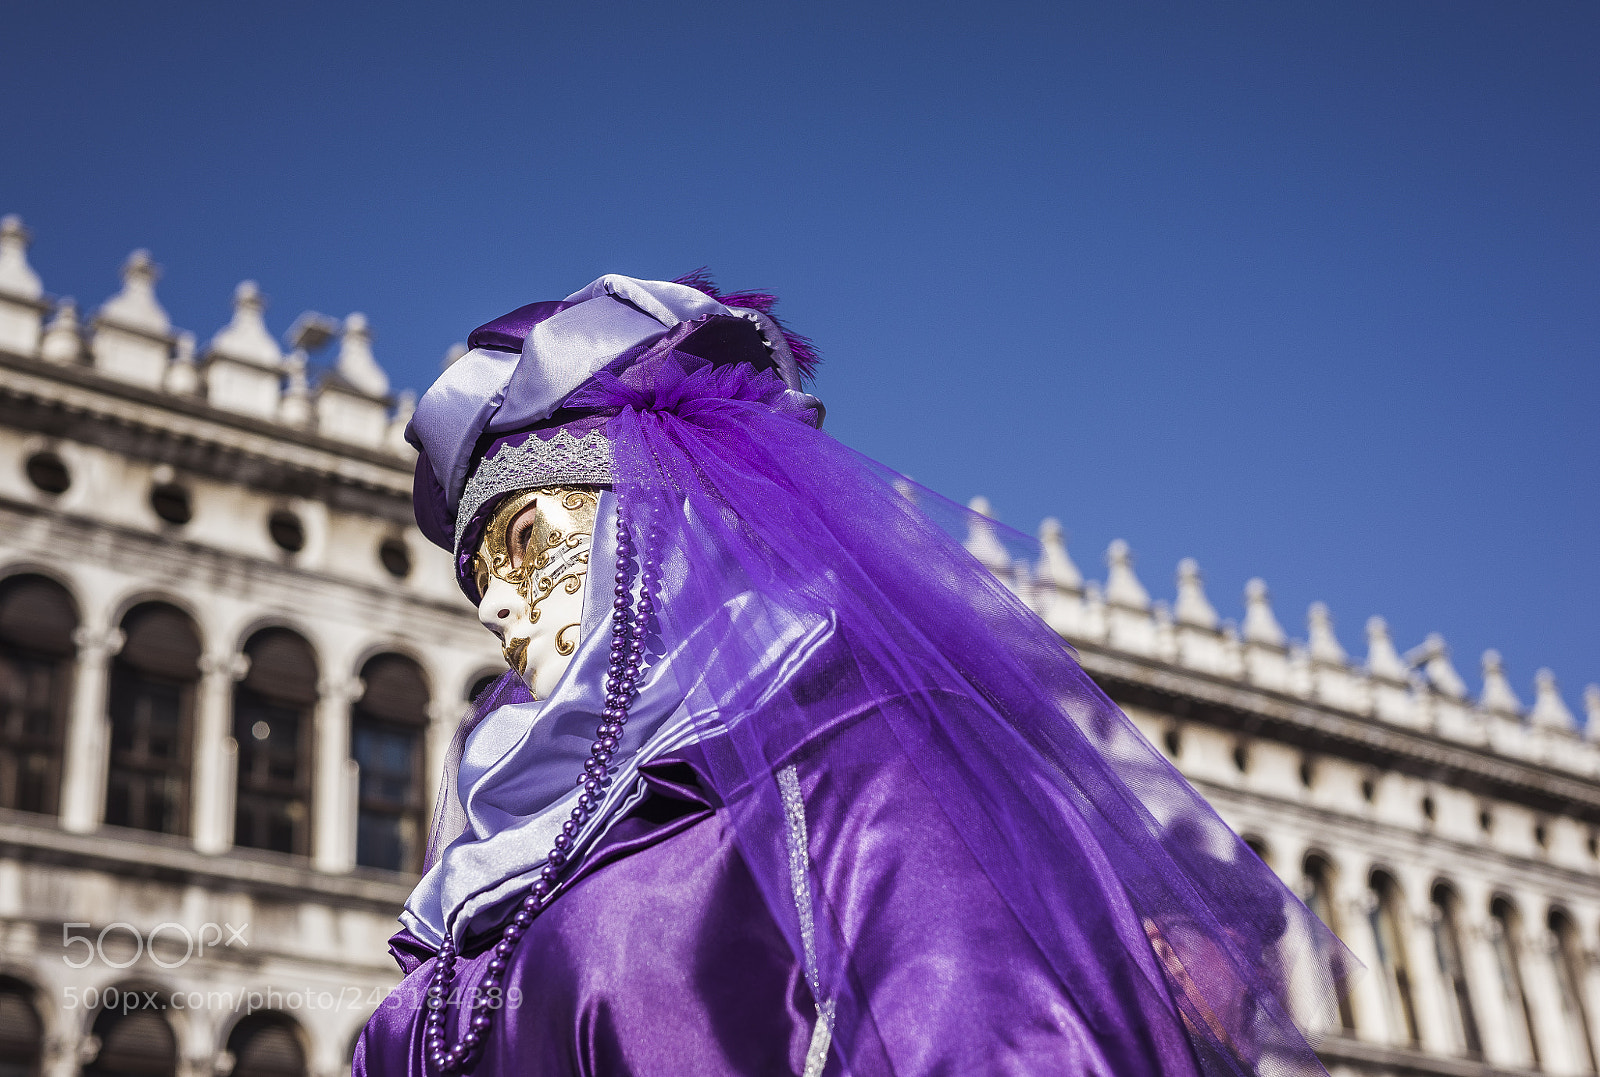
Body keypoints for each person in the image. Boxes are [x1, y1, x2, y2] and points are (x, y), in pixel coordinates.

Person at [354, 273, 1353, 1077]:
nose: (496, 603)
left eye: (527, 542)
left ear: (661, 532)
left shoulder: (868, 775)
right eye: (478, 573)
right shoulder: (489, 867)